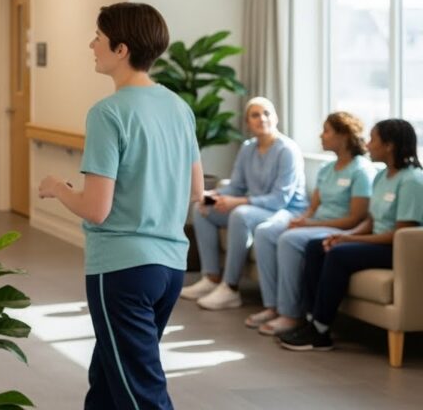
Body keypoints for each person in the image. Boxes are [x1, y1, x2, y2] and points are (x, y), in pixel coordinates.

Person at [38, 2, 201, 410]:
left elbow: (96, 209)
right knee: (110, 379)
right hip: (169, 268)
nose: (92, 44)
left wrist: (58, 188)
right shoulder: (178, 108)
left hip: (123, 270)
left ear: (121, 49)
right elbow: (196, 189)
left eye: (98, 37)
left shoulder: (108, 113)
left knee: (138, 391)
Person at [279, 118, 423, 351]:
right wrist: (345, 236)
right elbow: (371, 220)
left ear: (389, 146)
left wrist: (351, 239)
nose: (367, 144)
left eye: (373, 139)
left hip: (397, 250)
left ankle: (321, 332)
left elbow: (401, 234)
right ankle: (310, 320)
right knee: (316, 247)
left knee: (338, 255)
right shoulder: (381, 176)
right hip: (378, 241)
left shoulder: (412, 181)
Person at [247, 112, 374, 335]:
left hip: (339, 226)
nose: (321, 135)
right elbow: (313, 208)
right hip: (316, 223)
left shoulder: (361, 170)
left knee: (289, 239)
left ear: (343, 136)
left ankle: (291, 314)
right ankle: (272, 306)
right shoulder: (326, 169)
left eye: (326, 131)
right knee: (266, 232)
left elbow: (355, 218)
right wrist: (301, 220)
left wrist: (306, 227)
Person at [180, 97, 309, 310]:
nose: (262, 118)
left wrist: (236, 202)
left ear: (275, 117)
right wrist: (210, 196)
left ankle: (230, 288)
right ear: (247, 123)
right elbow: (236, 186)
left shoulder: (287, 150)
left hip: (285, 211)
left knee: (240, 213)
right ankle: (211, 278)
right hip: (256, 207)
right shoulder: (248, 148)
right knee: (202, 209)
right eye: (255, 115)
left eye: (267, 113)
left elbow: (280, 199)